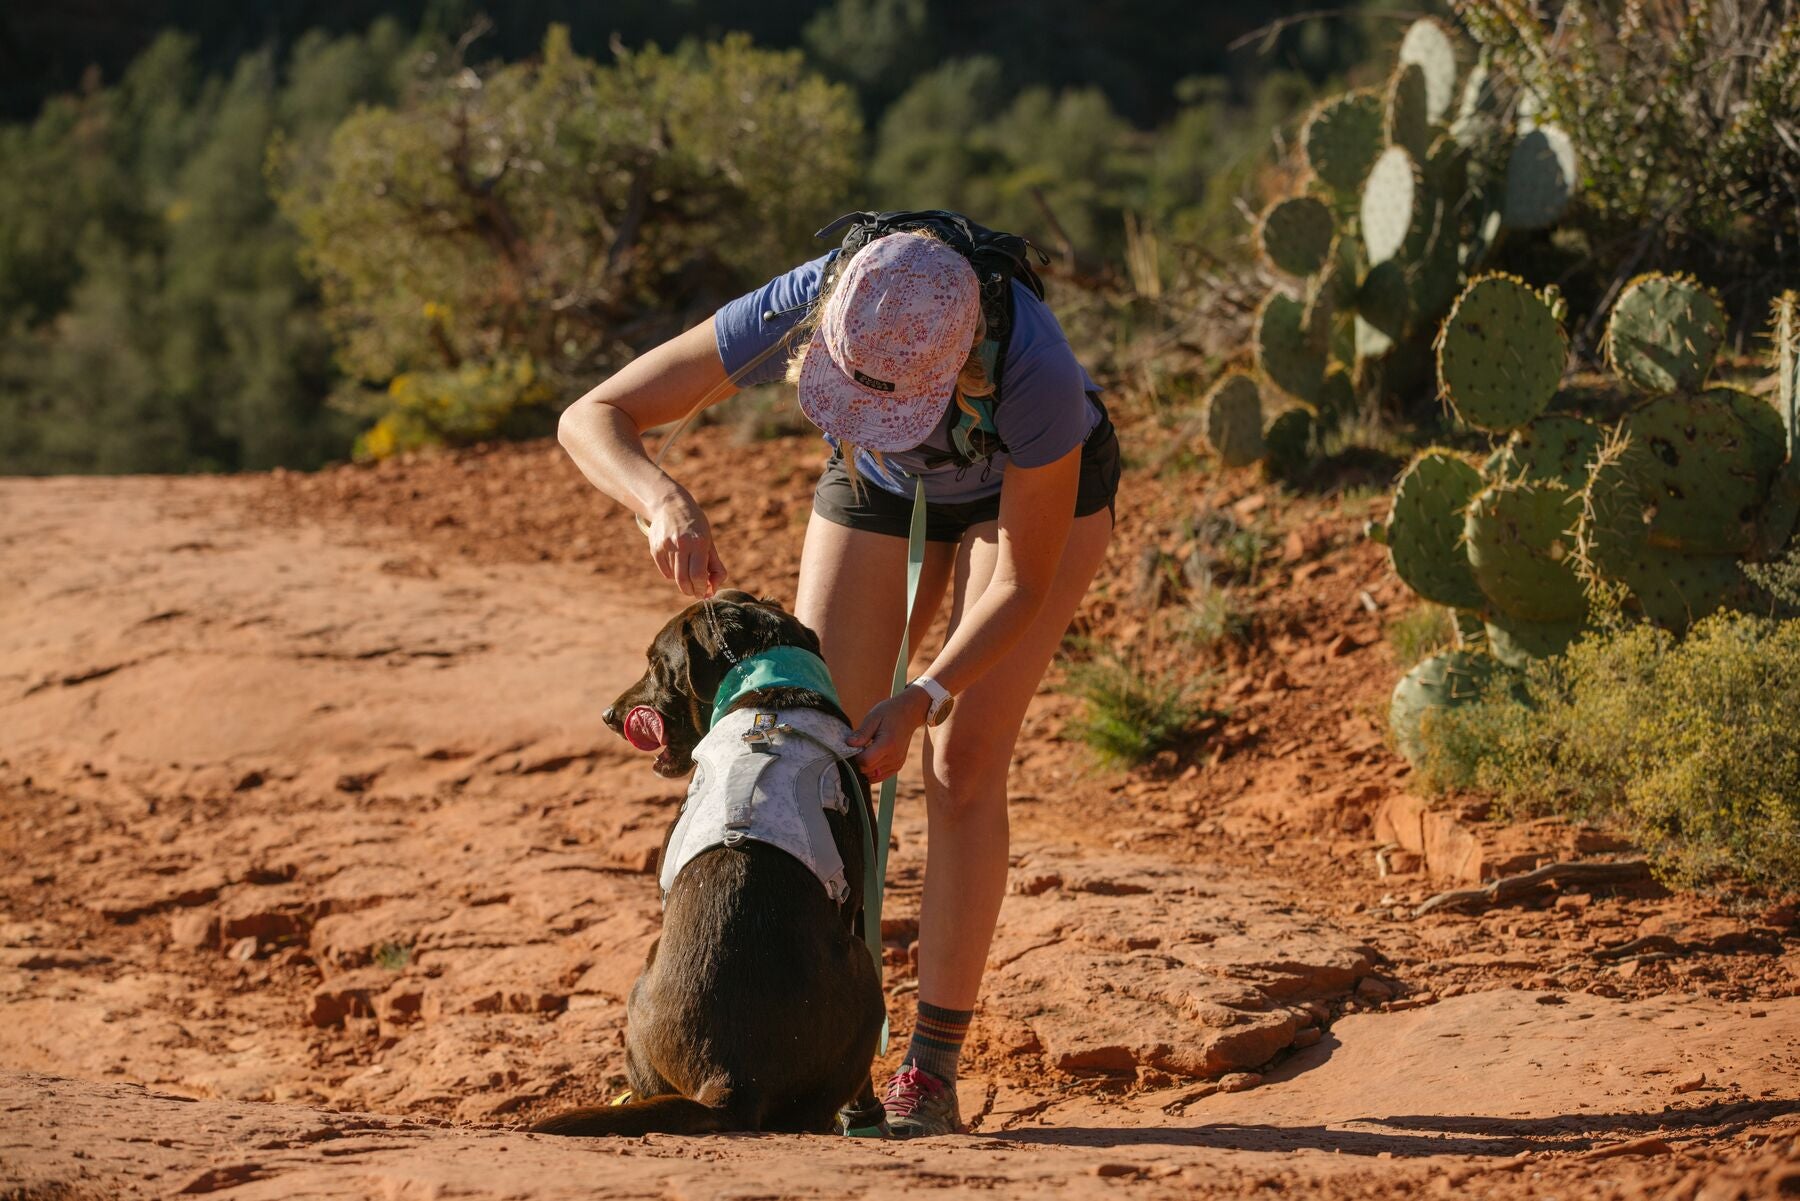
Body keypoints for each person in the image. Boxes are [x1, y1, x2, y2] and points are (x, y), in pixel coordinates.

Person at [558, 220, 1121, 1138]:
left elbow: (1020, 580)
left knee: (959, 760)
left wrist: (925, 694)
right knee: (819, 755)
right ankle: (827, 1058)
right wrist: (661, 499)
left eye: (886, 399)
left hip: (1023, 502)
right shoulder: (821, 293)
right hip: (880, 483)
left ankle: (929, 1073)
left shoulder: (1037, 374)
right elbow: (591, 417)